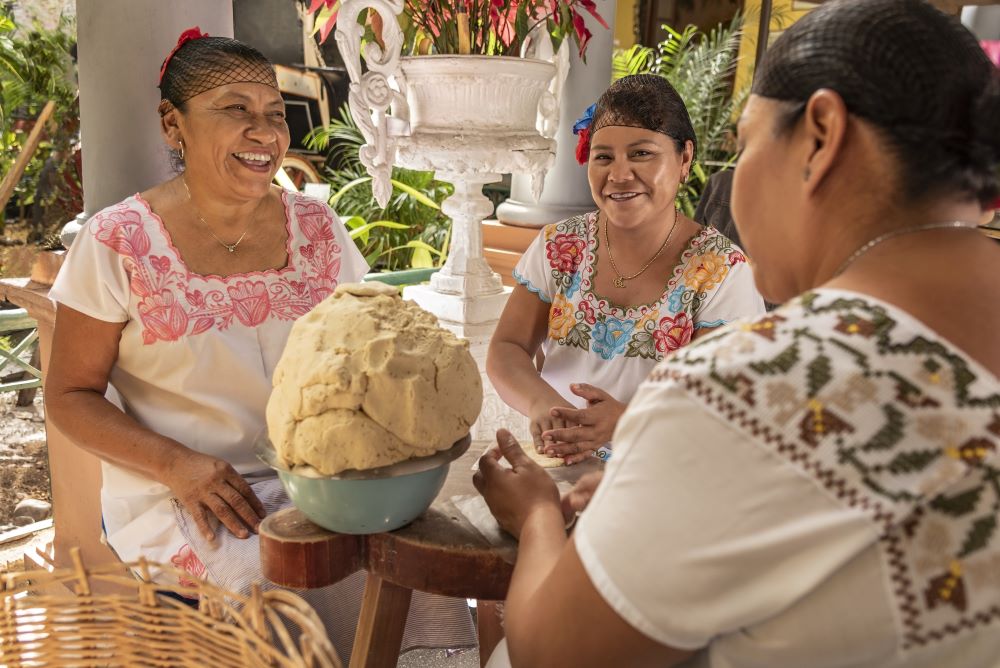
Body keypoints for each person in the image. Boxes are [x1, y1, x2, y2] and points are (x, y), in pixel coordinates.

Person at [474, 0, 1000, 665]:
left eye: (748, 143)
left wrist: (538, 514)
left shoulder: (743, 384)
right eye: (603, 155)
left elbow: (553, 653)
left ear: (820, 136)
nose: (736, 178)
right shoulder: (564, 250)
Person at [45, 29, 476, 660]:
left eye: (275, 114)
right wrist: (175, 464)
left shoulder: (316, 227)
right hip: (178, 493)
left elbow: (364, 340)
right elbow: (69, 395)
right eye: (235, 111)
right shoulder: (118, 242)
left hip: (320, 477)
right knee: (268, 586)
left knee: (421, 571)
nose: (265, 133)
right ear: (173, 125)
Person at [487, 75, 764, 464]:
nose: (618, 175)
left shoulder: (721, 272)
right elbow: (508, 348)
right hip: (558, 467)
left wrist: (628, 421)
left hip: (662, 481)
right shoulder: (561, 246)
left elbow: (722, 408)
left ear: (685, 159)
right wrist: (544, 406)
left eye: (641, 154)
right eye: (603, 157)